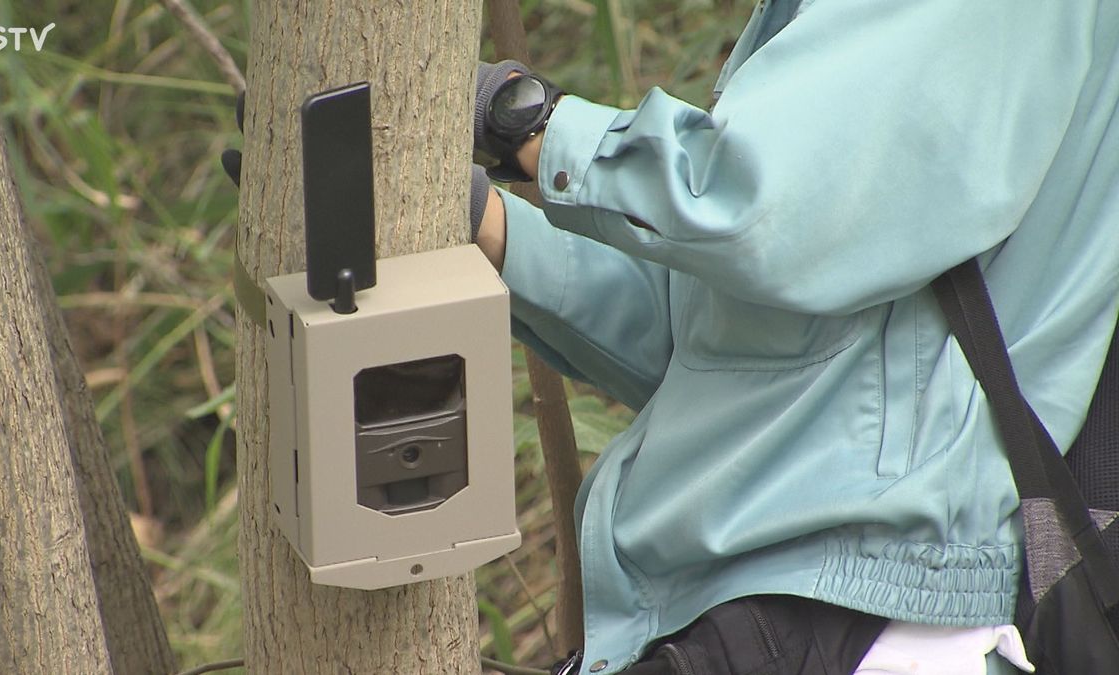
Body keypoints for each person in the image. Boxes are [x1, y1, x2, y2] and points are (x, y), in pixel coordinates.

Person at [467, 1, 1119, 674]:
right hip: (788, 601)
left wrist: (519, 119)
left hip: (869, 615)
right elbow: (717, 338)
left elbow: (756, 207)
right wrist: (489, 227)